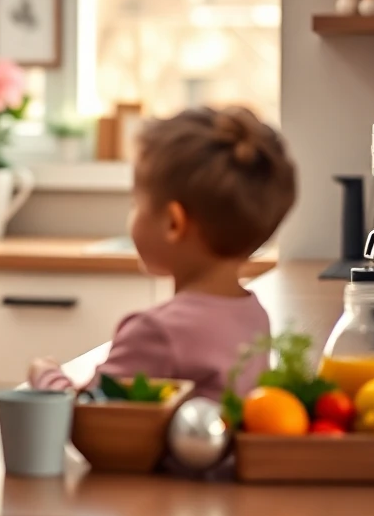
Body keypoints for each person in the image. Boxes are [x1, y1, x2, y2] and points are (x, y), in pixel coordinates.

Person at [29, 106, 297, 402]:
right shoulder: (254, 315)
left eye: (136, 202)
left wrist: (47, 376)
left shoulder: (155, 332)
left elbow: (87, 414)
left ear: (173, 223)